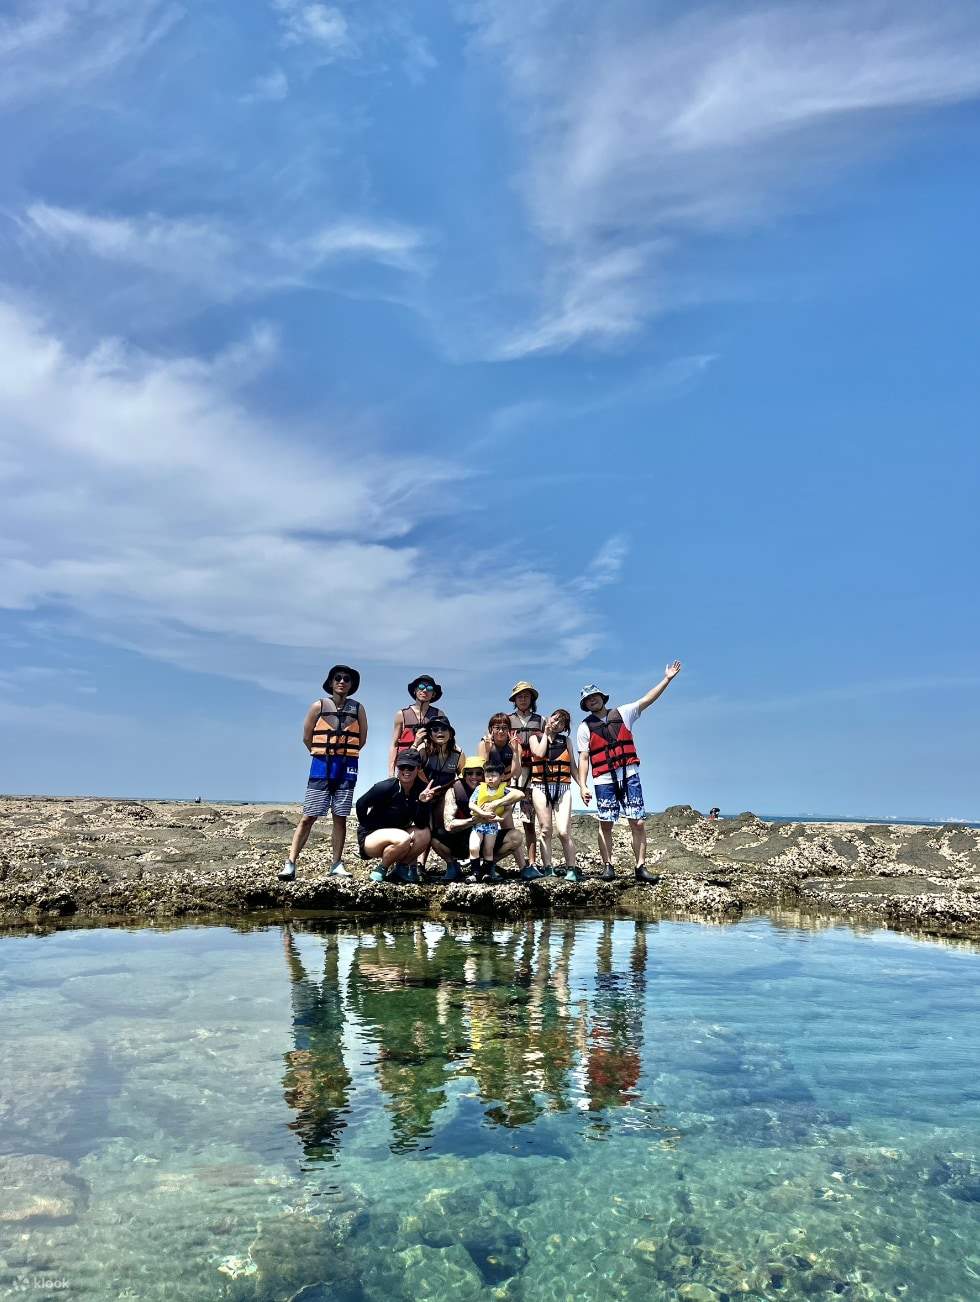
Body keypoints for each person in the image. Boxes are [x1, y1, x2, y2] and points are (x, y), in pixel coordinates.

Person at [576, 662, 682, 883]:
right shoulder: (584, 728)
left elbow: (647, 699)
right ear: (585, 705)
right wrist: (583, 786)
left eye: (594, 696)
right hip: (603, 779)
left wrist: (667, 679)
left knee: (638, 822)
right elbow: (584, 758)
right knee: (606, 823)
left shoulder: (623, 713)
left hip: (629, 775)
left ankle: (640, 867)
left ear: (602, 697)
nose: (592, 700)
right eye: (588, 699)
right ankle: (608, 866)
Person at [280, 664, 367, 881]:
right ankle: (290, 863)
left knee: (340, 817)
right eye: (338, 678)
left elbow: (362, 739)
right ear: (330, 682)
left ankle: (336, 864)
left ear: (351, 685)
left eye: (347, 679)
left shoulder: (358, 709)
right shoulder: (317, 706)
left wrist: (344, 754)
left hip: (346, 768)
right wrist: (321, 754)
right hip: (321, 766)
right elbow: (307, 737)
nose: (342, 682)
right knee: (309, 816)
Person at [354, 749, 438, 884]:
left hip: (399, 836)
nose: (406, 770)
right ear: (397, 768)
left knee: (425, 834)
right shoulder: (385, 787)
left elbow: (421, 824)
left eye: (410, 767)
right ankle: (382, 869)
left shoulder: (422, 790)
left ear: (418, 768)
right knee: (403, 838)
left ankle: (401, 868)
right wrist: (366, 826)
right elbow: (360, 804)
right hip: (372, 838)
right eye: (402, 766)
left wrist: (422, 803)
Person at [528, 709, 592, 877]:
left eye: (561, 722)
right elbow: (539, 753)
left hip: (563, 788)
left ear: (565, 727)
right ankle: (548, 868)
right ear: (549, 718)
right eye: (555, 719)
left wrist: (583, 787)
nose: (556, 723)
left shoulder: (566, 741)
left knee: (563, 831)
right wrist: (546, 734)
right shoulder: (535, 738)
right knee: (546, 830)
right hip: (540, 787)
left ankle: (571, 869)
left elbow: (573, 767)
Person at [469, 759, 538, 881]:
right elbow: (471, 804)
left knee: (488, 850)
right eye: (487, 776)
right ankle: (475, 873)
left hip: (492, 826)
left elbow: (512, 803)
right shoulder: (480, 789)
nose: (490, 779)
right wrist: (482, 813)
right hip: (478, 824)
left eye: (493, 776)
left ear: (502, 776)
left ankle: (487, 873)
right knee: (474, 847)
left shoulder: (504, 791)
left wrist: (499, 818)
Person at [508, 681, 545, 872]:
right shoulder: (506, 721)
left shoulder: (541, 720)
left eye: (526, 696)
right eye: (519, 696)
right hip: (510, 774)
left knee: (529, 822)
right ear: (514, 700)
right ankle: (492, 860)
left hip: (532, 775)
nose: (523, 699)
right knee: (501, 819)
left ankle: (532, 863)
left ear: (532, 699)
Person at [388, 675, 447, 775]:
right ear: (415, 691)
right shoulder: (402, 714)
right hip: (406, 766)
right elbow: (394, 745)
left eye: (429, 688)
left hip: (429, 766)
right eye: (421, 686)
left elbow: (445, 742)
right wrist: (391, 772)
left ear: (433, 694)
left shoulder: (439, 714)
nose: (425, 690)